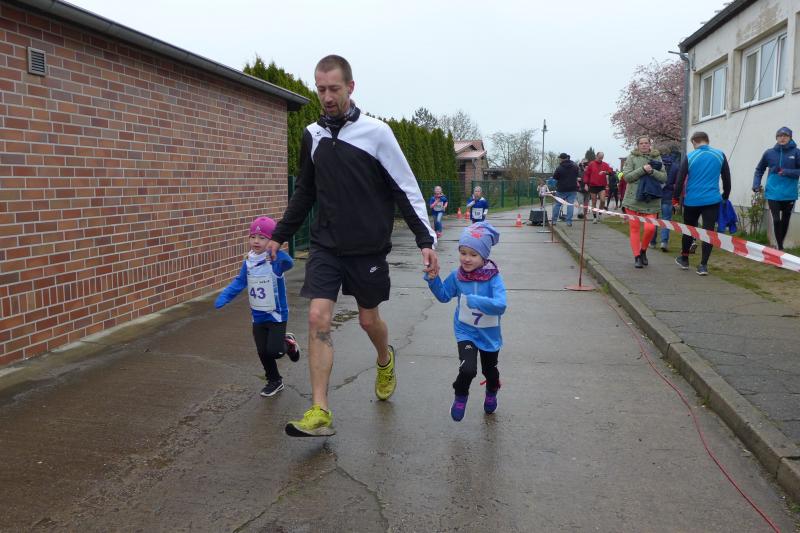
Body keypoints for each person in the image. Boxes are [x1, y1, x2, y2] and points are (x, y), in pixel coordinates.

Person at [266, 55, 439, 437]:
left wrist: (425, 239)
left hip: (367, 248)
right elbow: (305, 191)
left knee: (367, 320)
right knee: (317, 318)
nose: (327, 97)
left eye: (334, 89)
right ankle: (320, 410)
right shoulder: (312, 134)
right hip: (326, 246)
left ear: (351, 87)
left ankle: (384, 359)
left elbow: (405, 187)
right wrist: (280, 233)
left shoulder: (377, 133)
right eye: (321, 89)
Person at [424, 222, 506, 421]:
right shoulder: (457, 276)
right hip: (465, 332)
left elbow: (500, 305)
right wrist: (433, 280)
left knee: (490, 371)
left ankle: (492, 391)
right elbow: (444, 296)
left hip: (489, 335)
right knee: (468, 369)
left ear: (484, 256)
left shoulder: (494, 278)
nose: (466, 259)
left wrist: (475, 301)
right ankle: (461, 396)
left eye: (473, 254)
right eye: (463, 253)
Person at [215, 216, 301, 397]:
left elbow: (289, 263)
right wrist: (225, 296)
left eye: (262, 238)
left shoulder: (276, 261)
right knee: (263, 351)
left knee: (276, 351)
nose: (256, 241)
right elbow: (239, 282)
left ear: (271, 240)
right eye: (253, 236)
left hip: (276, 314)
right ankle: (274, 381)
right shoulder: (249, 262)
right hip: (258, 315)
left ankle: (288, 343)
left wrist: (276, 251)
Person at [673, 131, 731, 275]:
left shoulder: (690, 156)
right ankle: (703, 265)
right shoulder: (720, 155)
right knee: (708, 232)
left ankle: (684, 259)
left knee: (688, 230)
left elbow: (680, 179)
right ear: (707, 140)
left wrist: (675, 198)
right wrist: (725, 195)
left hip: (692, 200)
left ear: (694, 141)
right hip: (712, 200)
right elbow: (727, 178)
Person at [621, 136, 667, 268]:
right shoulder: (632, 157)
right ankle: (637, 257)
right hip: (633, 200)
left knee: (650, 228)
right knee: (634, 229)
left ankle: (643, 251)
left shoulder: (657, 157)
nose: (644, 145)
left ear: (650, 144)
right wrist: (642, 170)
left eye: (646, 143)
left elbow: (664, 177)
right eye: (641, 143)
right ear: (637, 145)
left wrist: (652, 171)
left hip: (651, 199)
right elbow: (627, 177)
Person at [753, 126, 800, 251]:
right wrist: (756, 184)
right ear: (776, 138)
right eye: (780, 136)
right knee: (776, 219)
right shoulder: (769, 153)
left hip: (790, 192)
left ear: (790, 138)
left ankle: (779, 245)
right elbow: (759, 169)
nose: (782, 138)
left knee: (785, 219)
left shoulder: (796, 152)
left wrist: (786, 172)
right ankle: (780, 247)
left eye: (785, 136)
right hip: (773, 191)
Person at [650, 151, 680, 251]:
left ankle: (652, 242)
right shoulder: (675, 166)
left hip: (655, 195)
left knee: (654, 219)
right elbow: (677, 183)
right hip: (668, 195)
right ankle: (664, 242)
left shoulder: (654, 164)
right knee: (666, 220)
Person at [582, 152, 613, 223]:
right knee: (594, 201)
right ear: (596, 156)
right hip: (593, 186)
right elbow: (587, 174)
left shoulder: (605, 164)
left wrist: (605, 172)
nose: (600, 159)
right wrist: (586, 184)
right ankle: (594, 217)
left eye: (602, 158)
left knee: (602, 200)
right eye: (599, 157)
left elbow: (611, 172)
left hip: (602, 186)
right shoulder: (591, 164)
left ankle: (600, 214)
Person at [551, 153, 580, 226]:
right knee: (570, 205)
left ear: (561, 159)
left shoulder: (559, 168)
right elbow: (577, 175)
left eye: (560, 158)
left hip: (561, 189)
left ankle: (554, 221)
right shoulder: (575, 167)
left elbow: (555, 177)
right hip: (572, 189)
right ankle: (569, 222)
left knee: (557, 204)